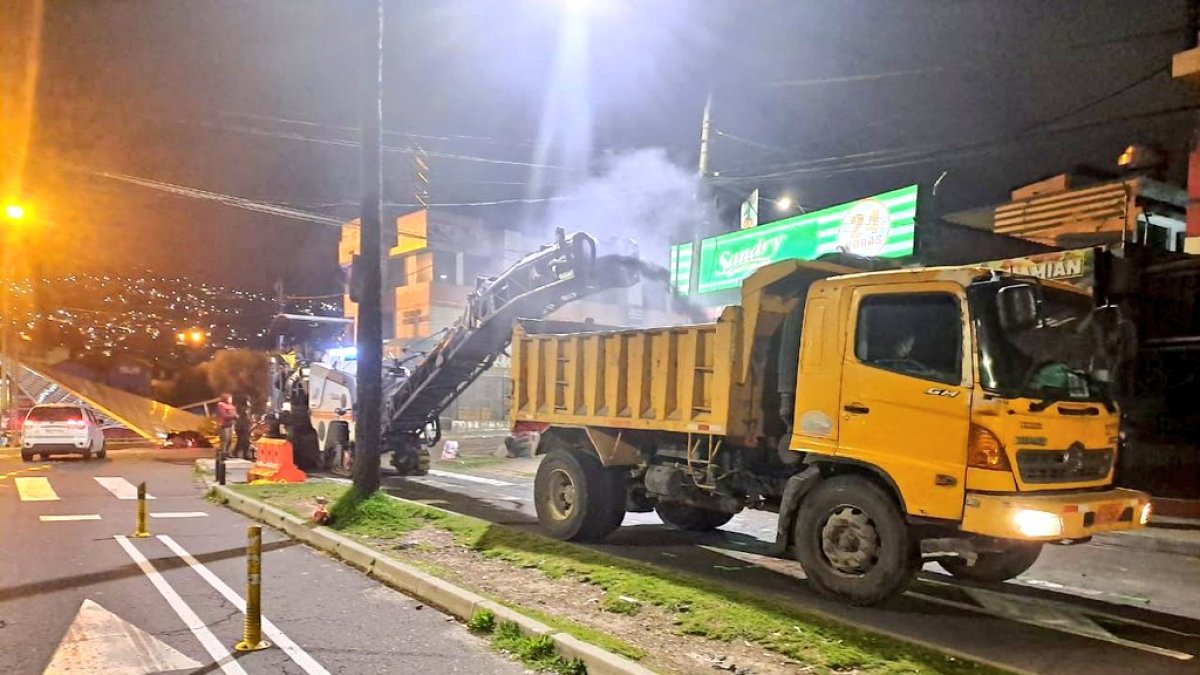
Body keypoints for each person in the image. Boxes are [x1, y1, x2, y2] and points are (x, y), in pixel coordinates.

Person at [215, 393, 237, 459]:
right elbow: (224, 415)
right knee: (225, 440)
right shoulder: (221, 405)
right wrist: (233, 416)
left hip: (231, 424)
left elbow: (234, 413)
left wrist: (236, 416)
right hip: (224, 425)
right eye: (229, 398)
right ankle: (222, 454)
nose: (231, 400)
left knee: (230, 440)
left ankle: (227, 453)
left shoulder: (231, 406)